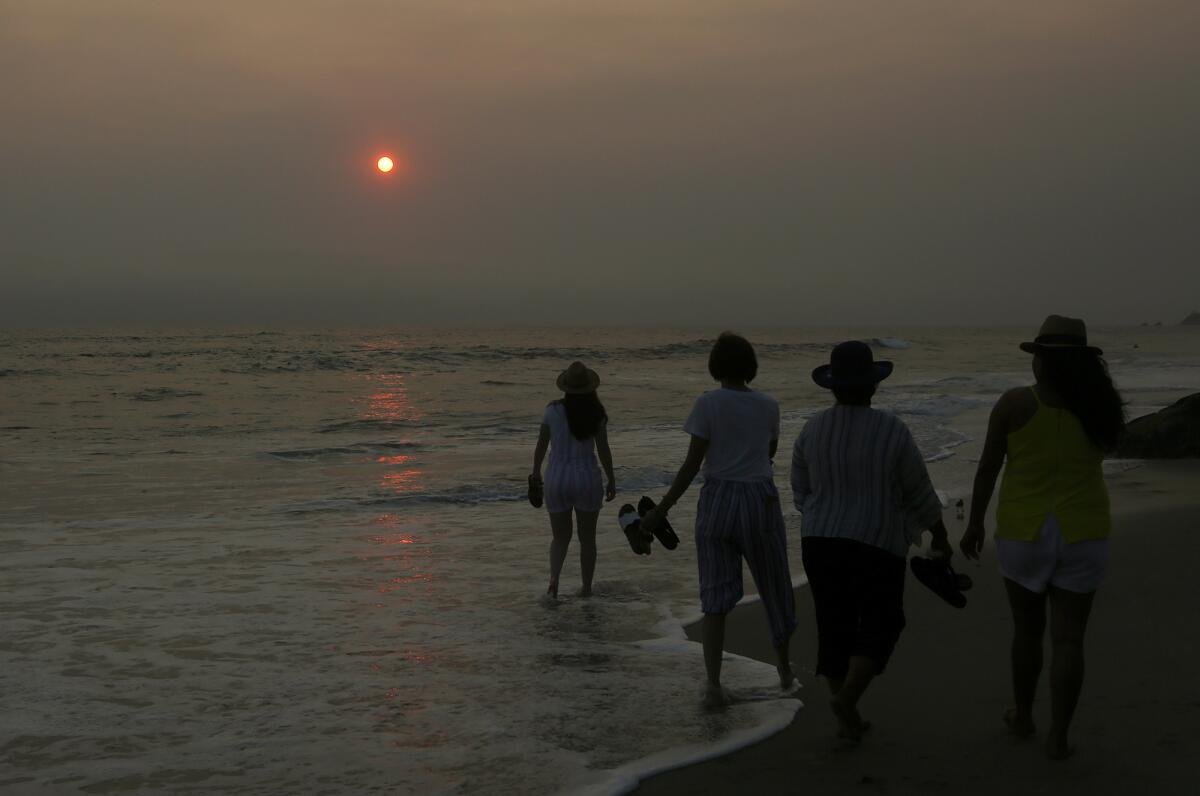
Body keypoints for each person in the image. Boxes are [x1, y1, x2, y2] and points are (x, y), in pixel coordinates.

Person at [960, 315, 1124, 760]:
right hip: (1084, 531)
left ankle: (1025, 716)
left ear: (1042, 361)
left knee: (1027, 633)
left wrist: (974, 522)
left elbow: (989, 469)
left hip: (1023, 532)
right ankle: (1059, 737)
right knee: (1069, 639)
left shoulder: (1015, 404)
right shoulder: (1101, 408)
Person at [791, 340, 951, 742]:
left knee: (833, 625)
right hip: (876, 541)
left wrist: (824, 513)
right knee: (882, 622)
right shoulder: (891, 430)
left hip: (820, 540)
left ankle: (848, 714)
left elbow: (800, 490)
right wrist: (941, 533)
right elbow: (917, 488)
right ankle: (847, 699)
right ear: (873, 386)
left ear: (832, 386)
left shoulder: (812, 429)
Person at [643, 332, 797, 707]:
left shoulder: (707, 404)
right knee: (773, 585)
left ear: (715, 366)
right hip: (759, 499)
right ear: (750, 366)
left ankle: (713, 683)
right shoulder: (768, 405)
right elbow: (770, 450)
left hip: (718, 501)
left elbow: (693, 464)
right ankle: (784, 671)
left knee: (714, 595)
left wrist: (661, 511)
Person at [530, 361, 616, 599]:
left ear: (566, 387)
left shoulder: (552, 410)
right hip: (586, 477)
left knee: (559, 538)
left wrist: (536, 472)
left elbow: (541, 445)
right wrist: (612, 478)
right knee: (587, 539)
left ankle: (554, 582)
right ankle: (586, 588)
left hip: (557, 478)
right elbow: (603, 450)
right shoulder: (597, 414)